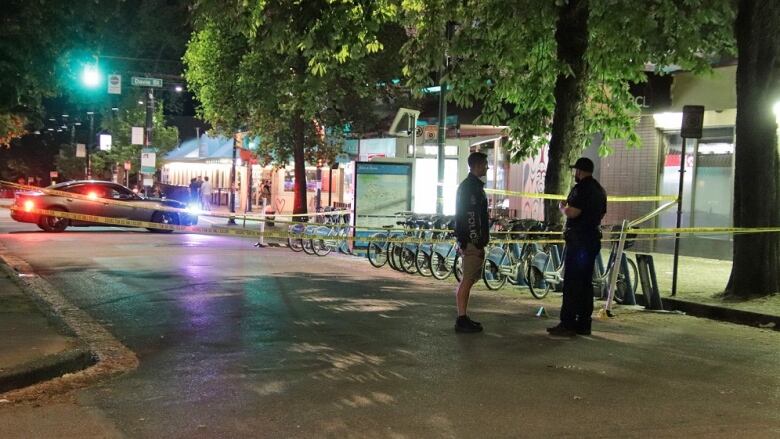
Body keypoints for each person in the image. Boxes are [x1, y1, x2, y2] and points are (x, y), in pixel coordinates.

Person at [548, 157, 607, 337]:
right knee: (585, 283)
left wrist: (562, 208)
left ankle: (567, 323)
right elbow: (602, 212)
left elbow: (573, 211)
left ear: (580, 171)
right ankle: (584, 323)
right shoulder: (599, 189)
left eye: (576, 171)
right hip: (591, 240)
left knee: (572, 282)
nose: (575, 174)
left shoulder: (581, 189)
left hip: (579, 241)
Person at [453, 152, 490, 333]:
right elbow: (472, 217)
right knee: (467, 279)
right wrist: (476, 241)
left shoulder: (470, 187)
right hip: (471, 241)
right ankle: (461, 318)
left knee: (468, 279)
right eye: (485, 164)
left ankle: (463, 317)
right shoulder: (472, 189)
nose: (487, 167)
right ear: (476, 166)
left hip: (469, 240)